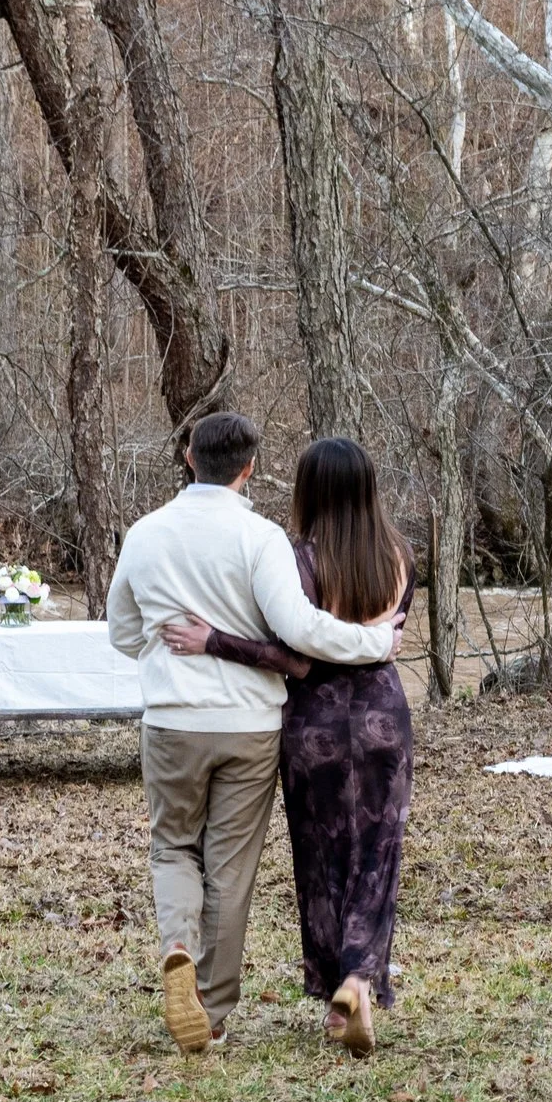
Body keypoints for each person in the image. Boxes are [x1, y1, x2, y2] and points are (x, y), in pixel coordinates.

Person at [105, 413, 401, 1055]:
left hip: (172, 722)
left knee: (174, 848)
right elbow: (300, 631)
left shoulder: (145, 535)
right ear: (248, 468)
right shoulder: (262, 538)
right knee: (231, 871)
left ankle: (177, 945)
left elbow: (123, 634)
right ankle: (210, 1010)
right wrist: (374, 642)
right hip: (250, 725)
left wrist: (165, 655)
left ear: (188, 457)